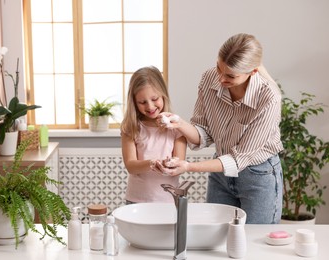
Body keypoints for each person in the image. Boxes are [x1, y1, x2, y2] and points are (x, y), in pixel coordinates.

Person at [157, 33, 284, 224]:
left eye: (231, 76)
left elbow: (239, 158)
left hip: (258, 177)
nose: (221, 78)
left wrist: (188, 167)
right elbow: (203, 133)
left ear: (253, 71)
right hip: (221, 176)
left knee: (254, 243)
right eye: (219, 68)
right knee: (217, 239)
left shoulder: (269, 98)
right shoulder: (209, 78)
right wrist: (179, 123)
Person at [120, 66, 187, 204]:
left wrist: (168, 164)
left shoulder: (176, 127)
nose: (150, 107)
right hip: (136, 200)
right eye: (142, 102)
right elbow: (130, 166)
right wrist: (152, 163)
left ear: (163, 95)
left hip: (169, 200)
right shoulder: (131, 127)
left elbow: (179, 166)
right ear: (134, 102)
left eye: (155, 99)